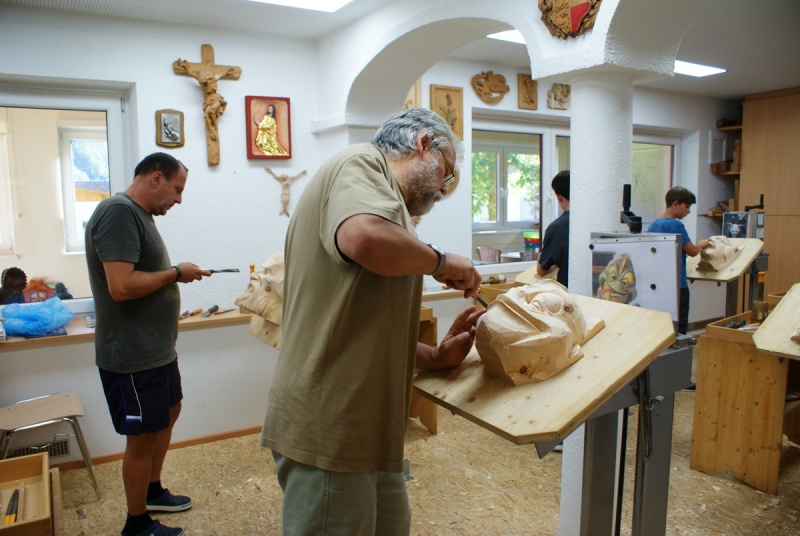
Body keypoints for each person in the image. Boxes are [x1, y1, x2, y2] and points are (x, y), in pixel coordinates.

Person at [261, 107, 484, 535]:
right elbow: (363, 239)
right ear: (423, 145)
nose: (442, 189)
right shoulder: (361, 161)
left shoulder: (388, 207)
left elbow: (361, 328)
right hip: (331, 425)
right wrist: (440, 262)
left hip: (369, 429)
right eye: (447, 172)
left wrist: (434, 357)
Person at [85, 152, 211, 536]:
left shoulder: (140, 216)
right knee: (141, 439)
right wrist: (175, 273)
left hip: (156, 351)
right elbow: (121, 287)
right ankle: (137, 523)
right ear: (156, 178)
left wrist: (177, 275)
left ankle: (152, 491)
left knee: (168, 413)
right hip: (132, 355)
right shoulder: (117, 213)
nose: (179, 199)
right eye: (177, 189)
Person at [647, 186, 711, 335]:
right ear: (675, 204)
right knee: (679, 326)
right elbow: (692, 251)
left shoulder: (653, 224)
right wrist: (701, 245)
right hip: (677, 285)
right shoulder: (675, 225)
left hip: (659, 284)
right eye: (687, 207)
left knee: (662, 324)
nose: (688, 211)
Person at [537, 170, 570, 288]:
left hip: (568, 293)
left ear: (559, 197)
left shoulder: (557, 228)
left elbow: (541, 271)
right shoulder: (592, 220)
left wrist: (540, 257)